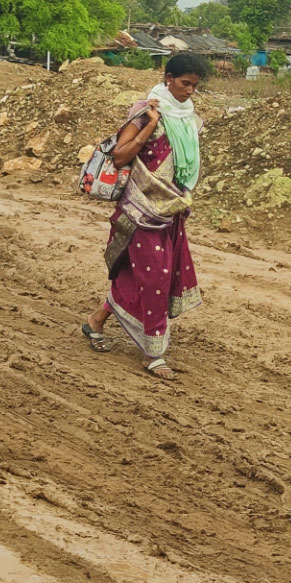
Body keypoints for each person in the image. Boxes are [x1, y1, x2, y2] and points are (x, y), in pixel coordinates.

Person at [80, 52, 208, 380]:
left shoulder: (188, 118)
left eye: (194, 86)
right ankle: (154, 353)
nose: (189, 91)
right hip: (140, 210)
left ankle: (96, 321)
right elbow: (120, 156)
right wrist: (149, 125)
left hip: (171, 209)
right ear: (168, 79)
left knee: (143, 273)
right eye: (184, 83)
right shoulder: (145, 111)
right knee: (155, 277)